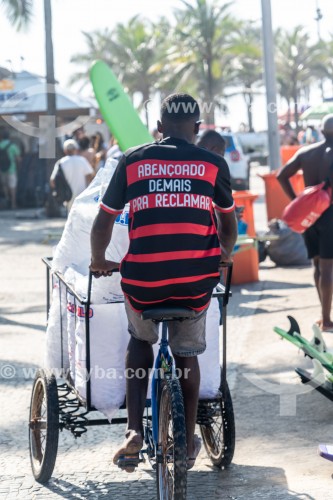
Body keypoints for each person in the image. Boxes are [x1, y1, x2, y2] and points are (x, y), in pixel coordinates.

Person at [90, 93, 238, 471]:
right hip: (195, 281)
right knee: (187, 354)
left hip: (144, 281)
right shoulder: (213, 163)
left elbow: (104, 221)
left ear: (158, 128)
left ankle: (133, 431)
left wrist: (98, 260)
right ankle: (187, 440)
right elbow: (228, 223)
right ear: (198, 128)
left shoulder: (134, 160)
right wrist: (223, 254)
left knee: (140, 341)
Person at [277, 114, 333, 332]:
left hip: (311, 215)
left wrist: (298, 202)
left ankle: (324, 314)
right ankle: (327, 320)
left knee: (318, 265)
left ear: (321, 131)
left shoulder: (307, 152)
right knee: (328, 267)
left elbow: (283, 175)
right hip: (330, 215)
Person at [50, 139, 95, 211]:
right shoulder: (82, 160)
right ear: (76, 149)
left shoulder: (61, 162)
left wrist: (60, 190)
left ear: (65, 151)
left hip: (68, 197)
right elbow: (91, 176)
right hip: (82, 196)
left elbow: (52, 181)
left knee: (71, 218)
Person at [0, 129, 21, 209]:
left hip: (2, 169)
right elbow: (18, 159)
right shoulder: (13, 146)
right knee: (12, 186)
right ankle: (13, 203)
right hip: (12, 168)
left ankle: (6, 200)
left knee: (4, 185)